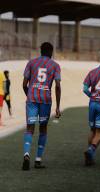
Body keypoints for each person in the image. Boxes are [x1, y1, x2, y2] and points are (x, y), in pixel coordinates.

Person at [22, 42, 61, 170]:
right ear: (51, 52)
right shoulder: (55, 66)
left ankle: (26, 154)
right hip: (45, 100)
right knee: (43, 129)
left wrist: (29, 96)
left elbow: (24, 84)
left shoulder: (31, 63)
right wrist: (58, 106)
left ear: (40, 51)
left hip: (32, 99)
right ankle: (38, 160)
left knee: (29, 128)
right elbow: (58, 85)